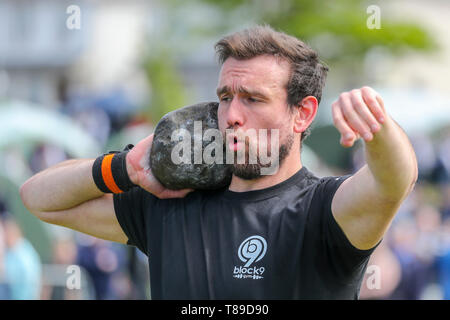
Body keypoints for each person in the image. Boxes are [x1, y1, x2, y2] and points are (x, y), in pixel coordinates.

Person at [19, 25, 418, 299]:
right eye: (226, 96)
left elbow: (394, 181)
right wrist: (124, 169)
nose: (231, 115)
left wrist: (376, 124)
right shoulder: (170, 202)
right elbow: (38, 198)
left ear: (303, 113)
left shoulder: (324, 211)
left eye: (253, 98)